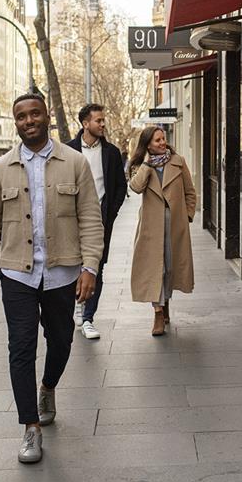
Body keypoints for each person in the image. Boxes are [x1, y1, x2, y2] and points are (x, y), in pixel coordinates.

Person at [0, 94, 103, 464]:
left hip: (63, 272)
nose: (28, 121)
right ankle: (30, 426)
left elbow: (92, 219)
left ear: (47, 117)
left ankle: (48, 387)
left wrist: (90, 267)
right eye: (21, 116)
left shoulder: (75, 163)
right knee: (21, 347)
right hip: (16, 274)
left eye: (34, 114)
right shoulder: (1, 168)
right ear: (15, 122)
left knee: (61, 340)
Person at [66, 103, 127, 339]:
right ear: (85, 124)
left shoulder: (111, 152)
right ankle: (75, 310)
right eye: (98, 121)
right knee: (72, 266)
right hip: (71, 222)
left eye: (103, 120)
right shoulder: (68, 151)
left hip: (101, 221)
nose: (102, 124)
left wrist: (110, 214)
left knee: (96, 268)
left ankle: (88, 318)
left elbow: (120, 187)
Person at [128, 126, 196, 336]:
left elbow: (190, 192)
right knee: (154, 267)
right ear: (148, 144)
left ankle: (165, 303)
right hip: (151, 225)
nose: (162, 143)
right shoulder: (140, 165)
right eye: (157, 140)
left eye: (163, 139)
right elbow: (135, 187)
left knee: (169, 266)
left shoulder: (178, 162)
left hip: (175, 223)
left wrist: (188, 217)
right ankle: (158, 313)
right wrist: (147, 165)